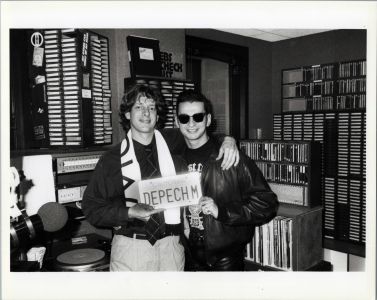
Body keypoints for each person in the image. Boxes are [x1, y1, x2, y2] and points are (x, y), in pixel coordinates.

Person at [82, 84, 239, 271]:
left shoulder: (172, 142)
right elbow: (92, 208)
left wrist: (229, 140)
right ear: (127, 114)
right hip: (132, 249)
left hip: (171, 249)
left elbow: (200, 132)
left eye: (151, 107)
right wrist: (130, 212)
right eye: (138, 107)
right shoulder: (112, 159)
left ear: (158, 115)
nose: (146, 113)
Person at [175, 90, 279, 271]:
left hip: (225, 261)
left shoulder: (231, 158)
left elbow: (266, 204)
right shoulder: (173, 159)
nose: (191, 123)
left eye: (198, 117)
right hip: (187, 257)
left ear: (208, 120)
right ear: (177, 122)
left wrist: (222, 212)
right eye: (184, 118)